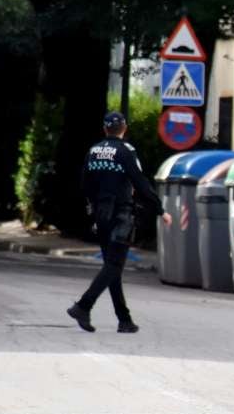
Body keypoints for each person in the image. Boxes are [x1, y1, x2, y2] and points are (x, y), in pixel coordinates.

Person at [66, 111, 170, 334]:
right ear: (124, 128)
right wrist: (160, 209)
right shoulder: (126, 151)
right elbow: (140, 182)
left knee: (111, 267)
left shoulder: (93, 151)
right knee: (114, 265)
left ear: (105, 129)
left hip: (101, 214)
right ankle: (83, 306)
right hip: (121, 213)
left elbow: (85, 184)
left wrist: (94, 207)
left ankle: (124, 319)